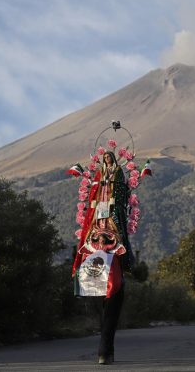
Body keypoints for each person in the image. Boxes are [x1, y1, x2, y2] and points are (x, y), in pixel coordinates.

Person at [73, 151, 133, 365]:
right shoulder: (99, 177)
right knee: (111, 303)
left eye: (109, 159)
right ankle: (105, 350)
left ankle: (106, 350)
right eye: (105, 159)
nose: (107, 161)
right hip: (108, 263)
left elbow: (120, 193)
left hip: (108, 247)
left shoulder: (117, 174)